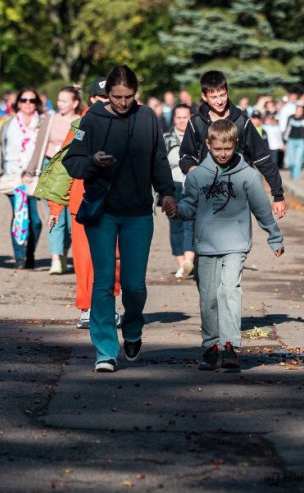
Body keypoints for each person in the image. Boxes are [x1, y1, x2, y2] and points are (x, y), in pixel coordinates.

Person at [63, 65, 176, 373]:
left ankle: (134, 328)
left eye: (128, 97)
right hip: (103, 211)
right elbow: (72, 162)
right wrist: (92, 162)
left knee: (134, 285)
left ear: (135, 94)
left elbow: (159, 159)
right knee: (102, 282)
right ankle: (105, 350)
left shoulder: (146, 118)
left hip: (138, 211)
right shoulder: (92, 118)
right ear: (107, 94)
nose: (123, 102)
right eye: (116, 97)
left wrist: (166, 193)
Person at [168, 119, 284, 371]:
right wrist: (177, 211)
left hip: (236, 243)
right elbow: (189, 206)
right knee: (208, 296)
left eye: (228, 149)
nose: (222, 154)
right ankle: (210, 345)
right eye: (217, 149)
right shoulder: (197, 176)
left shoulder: (248, 176)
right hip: (207, 245)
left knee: (229, 290)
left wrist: (274, 236)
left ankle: (230, 345)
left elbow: (262, 209)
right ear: (208, 144)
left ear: (236, 145)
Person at [41, 77, 122, 329]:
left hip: (116, 202)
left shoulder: (124, 125)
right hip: (82, 203)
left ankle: (107, 304)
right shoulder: (79, 126)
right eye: (99, 98)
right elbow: (64, 166)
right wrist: (55, 206)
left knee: (115, 258)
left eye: (108, 98)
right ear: (90, 100)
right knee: (85, 258)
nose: (104, 103)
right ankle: (87, 308)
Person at [178, 71, 286, 220]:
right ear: (204, 97)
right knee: (207, 239)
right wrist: (193, 169)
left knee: (238, 240)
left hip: (238, 192)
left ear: (227, 92)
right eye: (213, 97)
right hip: (206, 193)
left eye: (222, 95)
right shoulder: (196, 123)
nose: (219, 101)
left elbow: (262, 158)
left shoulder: (242, 122)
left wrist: (278, 194)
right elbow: (186, 155)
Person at [0, 88, 45, 270]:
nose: (28, 103)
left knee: (35, 220)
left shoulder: (43, 124)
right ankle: (19, 257)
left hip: (34, 176)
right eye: (24, 100)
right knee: (19, 215)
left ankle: (29, 254)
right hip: (13, 175)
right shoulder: (8, 124)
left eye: (32, 100)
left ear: (37, 103)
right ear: (18, 103)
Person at [38, 86, 82, 274]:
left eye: (65, 100)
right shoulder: (50, 120)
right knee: (55, 215)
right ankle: (55, 258)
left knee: (71, 217)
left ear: (75, 102)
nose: (60, 104)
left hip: (72, 169)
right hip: (51, 166)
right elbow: (39, 146)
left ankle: (63, 252)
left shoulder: (81, 123)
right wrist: (32, 170)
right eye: (59, 100)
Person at [165, 103, 196, 279]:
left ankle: (189, 260)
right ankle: (181, 263)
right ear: (174, 119)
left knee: (190, 222)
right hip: (173, 185)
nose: (183, 120)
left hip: (193, 185)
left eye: (186, 117)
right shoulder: (166, 138)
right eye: (179, 117)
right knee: (175, 224)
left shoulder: (199, 137)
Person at [283, 103, 304, 180]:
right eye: (298, 110)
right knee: (291, 161)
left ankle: (296, 177)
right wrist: (284, 142)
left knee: (298, 160)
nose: (299, 112)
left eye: (301, 111)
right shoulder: (290, 118)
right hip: (291, 140)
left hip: (301, 141)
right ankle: (292, 173)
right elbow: (287, 130)